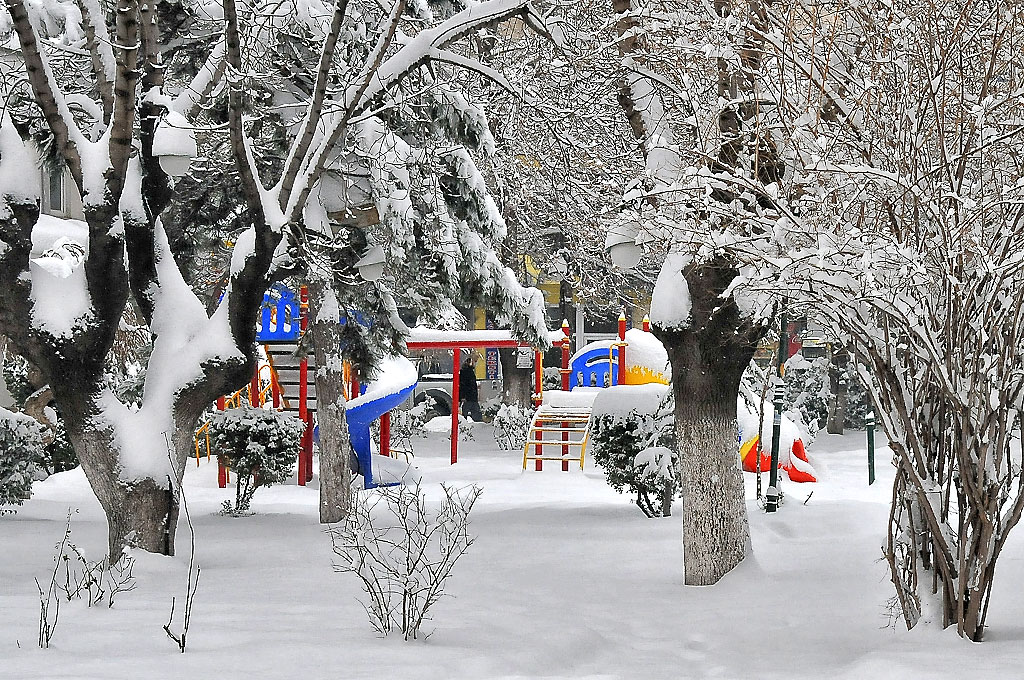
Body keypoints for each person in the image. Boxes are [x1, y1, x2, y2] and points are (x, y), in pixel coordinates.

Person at [459, 352, 482, 422]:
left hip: (469, 396)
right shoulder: (466, 371)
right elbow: (463, 385)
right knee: (474, 413)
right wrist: (462, 397)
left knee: (468, 412)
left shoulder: (467, 371)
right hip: (469, 397)